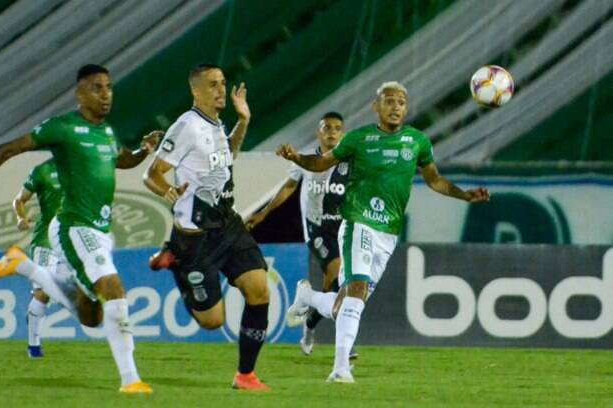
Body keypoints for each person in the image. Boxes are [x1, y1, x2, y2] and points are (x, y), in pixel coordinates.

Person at [0, 64, 162, 394]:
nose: (106, 94)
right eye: (97, 88)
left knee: (92, 316)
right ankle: (131, 380)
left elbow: (122, 160)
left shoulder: (107, 133)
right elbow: (10, 147)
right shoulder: (63, 128)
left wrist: (144, 150)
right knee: (115, 289)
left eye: (109, 87)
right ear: (79, 95)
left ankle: (24, 266)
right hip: (73, 225)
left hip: (100, 230)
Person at [276, 81, 490, 383]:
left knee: (345, 305)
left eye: (401, 102)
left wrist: (465, 195)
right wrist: (296, 157)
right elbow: (322, 161)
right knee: (358, 290)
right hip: (357, 222)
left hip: (387, 233)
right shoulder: (359, 139)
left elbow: (435, 180)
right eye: (389, 101)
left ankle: (308, 297)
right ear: (375, 107)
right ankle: (340, 369)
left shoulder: (417, 142)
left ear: (406, 108)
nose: (395, 106)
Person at [143, 63, 271, 391]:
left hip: (227, 224)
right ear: (196, 91)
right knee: (212, 321)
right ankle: (174, 258)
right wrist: (167, 190)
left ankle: (245, 375)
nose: (220, 90)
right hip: (195, 237)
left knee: (259, 291)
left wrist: (244, 121)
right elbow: (152, 174)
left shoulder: (216, 125)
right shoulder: (185, 127)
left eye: (223, 83)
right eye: (212, 84)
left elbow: (230, 155)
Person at [245, 111, 357, 359]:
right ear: (319, 132)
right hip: (317, 230)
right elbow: (288, 187)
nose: (331, 131)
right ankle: (347, 343)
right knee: (341, 277)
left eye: (337, 127)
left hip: (343, 230)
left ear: (343, 133)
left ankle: (309, 322)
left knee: (332, 291)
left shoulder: (351, 160)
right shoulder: (306, 160)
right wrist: (263, 213)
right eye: (326, 127)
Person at [13, 158, 62, 358]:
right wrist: (20, 218)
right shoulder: (41, 171)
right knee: (43, 293)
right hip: (45, 240)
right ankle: (34, 346)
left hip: (72, 240)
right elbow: (19, 200)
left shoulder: (82, 166)